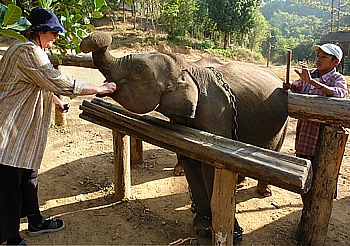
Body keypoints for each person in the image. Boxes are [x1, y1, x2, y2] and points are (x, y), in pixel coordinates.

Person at [0, 8, 116, 245]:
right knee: (10, 186)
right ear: (38, 32)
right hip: (10, 128)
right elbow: (59, 81)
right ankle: (11, 237)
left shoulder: (28, 48)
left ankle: (35, 220)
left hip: (25, 130)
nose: (56, 38)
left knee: (29, 178)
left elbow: (38, 83)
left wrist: (57, 102)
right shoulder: (27, 51)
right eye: (53, 33)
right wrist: (99, 89)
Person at [283, 43, 348, 201]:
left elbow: (339, 94)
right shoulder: (309, 74)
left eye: (324, 57)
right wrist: (290, 86)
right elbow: (297, 88)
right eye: (318, 56)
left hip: (325, 140)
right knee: (303, 176)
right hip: (306, 136)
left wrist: (312, 82)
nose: (318, 59)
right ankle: (306, 207)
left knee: (323, 175)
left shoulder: (336, 79)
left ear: (335, 62)